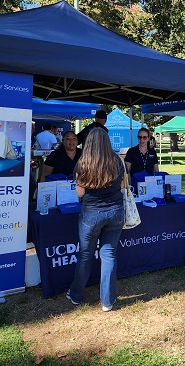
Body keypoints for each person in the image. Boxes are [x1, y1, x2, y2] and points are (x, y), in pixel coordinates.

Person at [66, 127, 125, 312]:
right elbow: (124, 184)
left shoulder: (83, 163)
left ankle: (76, 295)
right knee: (109, 255)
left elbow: (80, 192)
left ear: (88, 143)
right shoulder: (117, 161)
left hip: (91, 214)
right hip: (115, 212)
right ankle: (107, 301)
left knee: (85, 254)